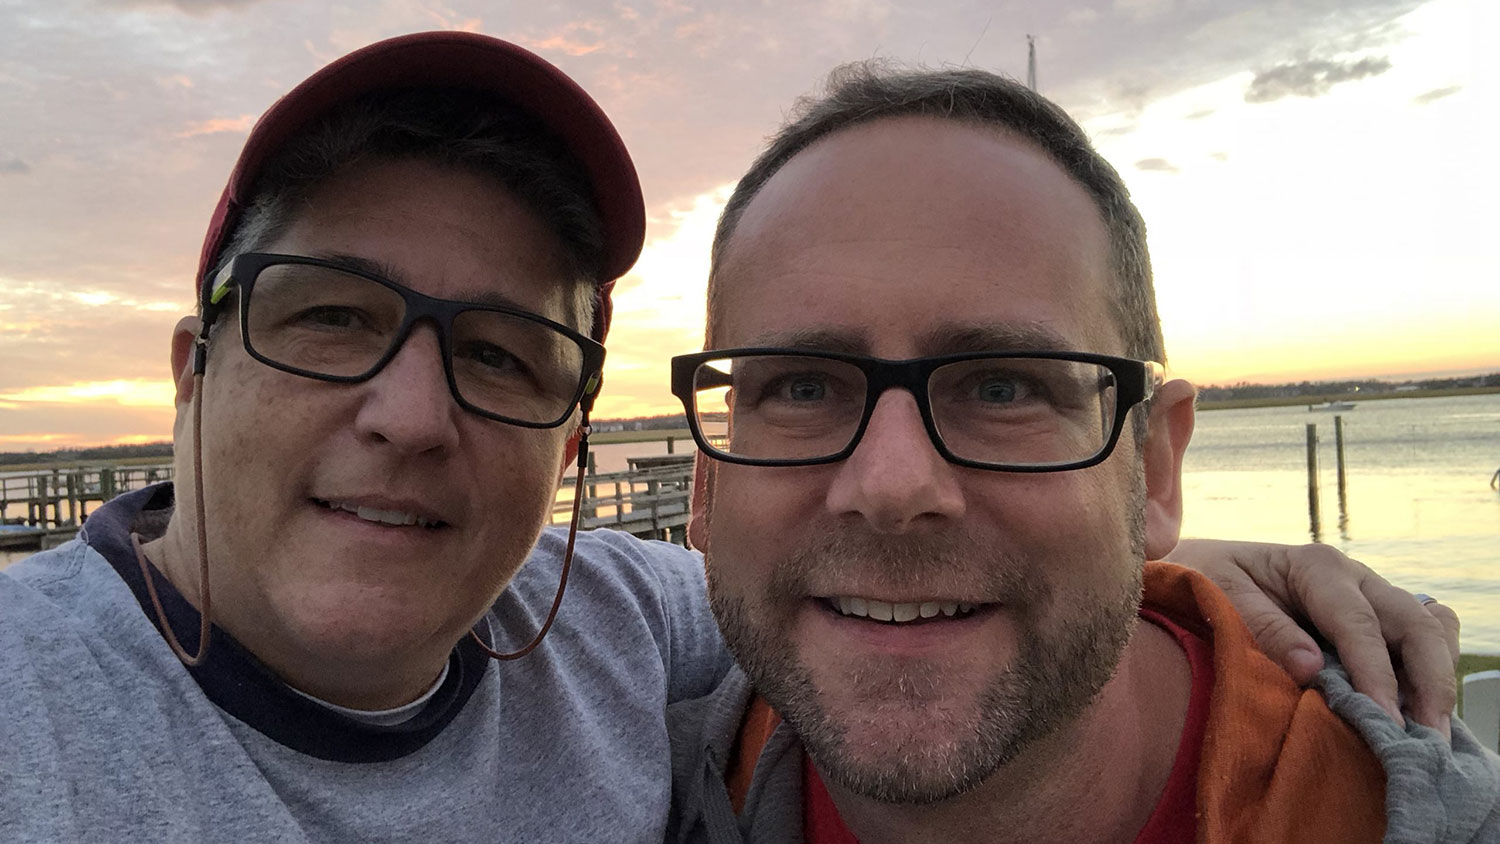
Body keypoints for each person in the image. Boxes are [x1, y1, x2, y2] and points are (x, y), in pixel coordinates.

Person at [0, 32, 1470, 842]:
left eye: (505, 352)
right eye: (327, 318)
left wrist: (1142, 549)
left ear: (572, 447)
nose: (408, 411)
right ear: (192, 376)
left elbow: (873, 586)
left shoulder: (619, 639)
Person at [666, 63, 1500, 843]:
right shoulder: (643, 782)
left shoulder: (1386, 811)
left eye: (1005, 389)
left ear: (1156, 473)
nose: (891, 486)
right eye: (802, 389)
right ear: (707, 481)